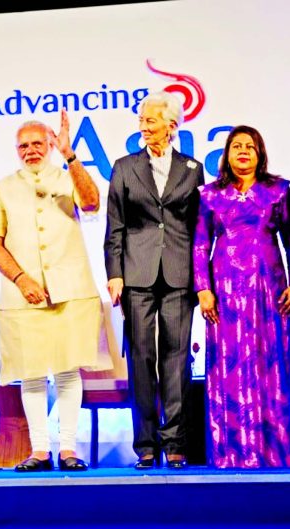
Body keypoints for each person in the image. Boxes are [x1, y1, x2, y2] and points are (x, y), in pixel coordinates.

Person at [0, 111, 101, 472]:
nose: (30, 151)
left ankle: (68, 449)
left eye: (37, 143)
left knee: (67, 370)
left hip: (71, 289)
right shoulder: (3, 187)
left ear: (50, 144)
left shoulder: (68, 177)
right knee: (30, 372)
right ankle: (39, 450)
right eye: (23, 146)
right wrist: (21, 279)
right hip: (22, 294)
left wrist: (71, 155)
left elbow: (92, 202)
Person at [104, 91, 204, 470]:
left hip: (179, 274)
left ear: (172, 126)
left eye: (151, 120)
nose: (144, 126)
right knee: (142, 358)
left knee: (177, 360)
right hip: (137, 274)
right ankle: (146, 444)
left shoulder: (192, 168)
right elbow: (116, 226)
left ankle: (175, 442)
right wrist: (115, 273)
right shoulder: (125, 167)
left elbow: (198, 227)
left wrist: (201, 278)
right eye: (142, 120)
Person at [193, 125, 290, 469]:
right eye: (236, 146)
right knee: (229, 365)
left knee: (271, 364)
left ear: (260, 154)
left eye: (250, 147)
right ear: (226, 154)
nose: (243, 152)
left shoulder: (278, 191)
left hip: (269, 289)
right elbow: (199, 244)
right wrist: (203, 289)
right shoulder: (210, 195)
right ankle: (231, 455)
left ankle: (275, 454)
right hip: (224, 291)